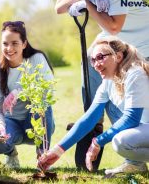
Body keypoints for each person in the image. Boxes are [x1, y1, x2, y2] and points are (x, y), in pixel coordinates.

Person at [55, 0, 149, 171]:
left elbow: (114, 26)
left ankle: (133, 155)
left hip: (144, 45)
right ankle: (95, 124)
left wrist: (88, 2)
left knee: (138, 110)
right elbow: (59, 7)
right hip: (118, 43)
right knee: (90, 64)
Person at [38, 37, 149, 175]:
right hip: (145, 127)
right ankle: (136, 165)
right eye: (93, 60)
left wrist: (97, 142)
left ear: (118, 56)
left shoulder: (135, 74)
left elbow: (131, 118)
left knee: (121, 141)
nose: (96, 64)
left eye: (100, 57)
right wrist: (58, 150)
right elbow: (90, 118)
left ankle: (135, 163)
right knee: (117, 126)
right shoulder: (108, 82)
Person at [0, 21, 55, 168]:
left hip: (37, 122)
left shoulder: (36, 59)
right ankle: (11, 154)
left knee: (40, 104)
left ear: (24, 44)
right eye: (5, 44)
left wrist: (19, 92)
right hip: (12, 124)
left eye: (14, 43)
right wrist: (0, 126)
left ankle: (43, 156)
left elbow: (48, 91)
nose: (9, 48)